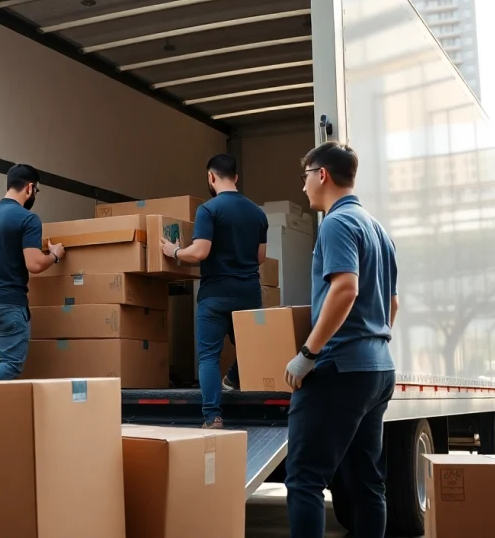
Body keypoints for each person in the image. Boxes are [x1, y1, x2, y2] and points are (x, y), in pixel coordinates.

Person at [283, 141, 399, 538]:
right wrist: (372, 341)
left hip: (339, 368)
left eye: (304, 178)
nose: (303, 188)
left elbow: (345, 289)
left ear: (322, 174)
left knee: (304, 479)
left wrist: (307, 353)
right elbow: (393, 305)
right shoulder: (378, 229)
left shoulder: (337, 223)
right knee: (366, 481)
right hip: (378, 369)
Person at [159, 154, 268, 429]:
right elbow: (260, 257)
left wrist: (174, 251)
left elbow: (200, 251)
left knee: (208, 356)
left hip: (215, 294)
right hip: (248, 293)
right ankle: (233, 378)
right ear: (236, 178)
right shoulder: (257, 212)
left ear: (210, 177)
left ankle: (213, 417)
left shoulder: (208, 210)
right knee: (249, 349)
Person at [0, 164, 65, 381]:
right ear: (30, 188)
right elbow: (34, 264)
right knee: (11, 365)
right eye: (36, 191)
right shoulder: (27, 218)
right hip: (9, 305)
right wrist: (55, 255)